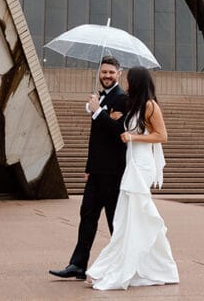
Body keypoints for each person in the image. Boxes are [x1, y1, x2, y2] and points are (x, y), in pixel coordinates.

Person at [85, 66, 179, 290]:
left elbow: (162, 135)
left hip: (142, 165)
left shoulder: (150, 105)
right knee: (127, 218)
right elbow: (118, 127)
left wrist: (133, 137)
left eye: (129, 80)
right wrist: (101, 111)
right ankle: (142, 265)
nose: (126, 83)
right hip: (132, 163)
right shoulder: (135, 104)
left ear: (137, 82)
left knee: (136, 216)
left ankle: (141, 267)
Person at [49, 56, 128, 281]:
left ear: (119, 73)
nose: (107, 76)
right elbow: (96, 140)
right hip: (96, 172)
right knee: (87, 216)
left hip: (113, 172)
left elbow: (119, 132)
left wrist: (97, 112)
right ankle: (78, 264)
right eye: (104, 72)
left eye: (111, 72)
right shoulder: (100, 98)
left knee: (114, 221)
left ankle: (122, 265)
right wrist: (89, 167)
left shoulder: (122, 99)